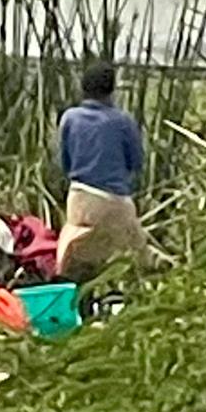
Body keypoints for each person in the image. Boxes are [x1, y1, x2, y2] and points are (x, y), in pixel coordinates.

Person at [55, 64, 152, 280]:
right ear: (112, 90)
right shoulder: (123, 121)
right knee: (137, 258)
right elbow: (136, 162)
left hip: (79, 199)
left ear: (83, 89)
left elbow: (64, 162)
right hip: (114, 200)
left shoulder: (70, 118)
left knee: (79, 255)